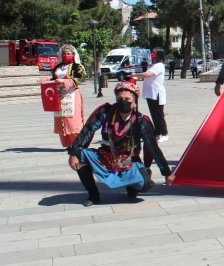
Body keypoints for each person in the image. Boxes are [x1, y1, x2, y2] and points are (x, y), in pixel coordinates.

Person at [67, 78, 174, 206]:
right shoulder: (106, 112)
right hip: (105, 157)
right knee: (80, 154)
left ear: (134, 102)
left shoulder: (141, 121)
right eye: (119, 99)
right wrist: (73, 153)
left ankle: (132, 186)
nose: (123, 102)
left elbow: (153, 147)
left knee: (144, 185)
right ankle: (93, 194)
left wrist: (167, 172)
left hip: (128, 159)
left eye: (127, 99)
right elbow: (88, 130)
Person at [39, 44, 86, 148]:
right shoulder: (58, 67)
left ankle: (77, 144)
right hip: (59, 95)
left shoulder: (77, 67)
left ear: (73, 55)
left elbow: (78, 79)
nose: (66, 55)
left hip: (72, 94)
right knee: (61, 119)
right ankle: (68, 144)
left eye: (68, 54)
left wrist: (65, 81)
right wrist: (46, 80)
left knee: (72, 119)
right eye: (64, 54)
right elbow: (53, 78)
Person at [132, 48, 169, 143]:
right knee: (154, 114)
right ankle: (157, 134)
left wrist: (136, 74)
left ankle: (164, 134)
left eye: (154, 53)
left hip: (157, 93)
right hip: (151, 93)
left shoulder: (159, 66)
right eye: (152, 52)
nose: (152, 54)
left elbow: (147, 74)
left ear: (159, 55)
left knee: (159, 115)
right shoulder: (154, 65)